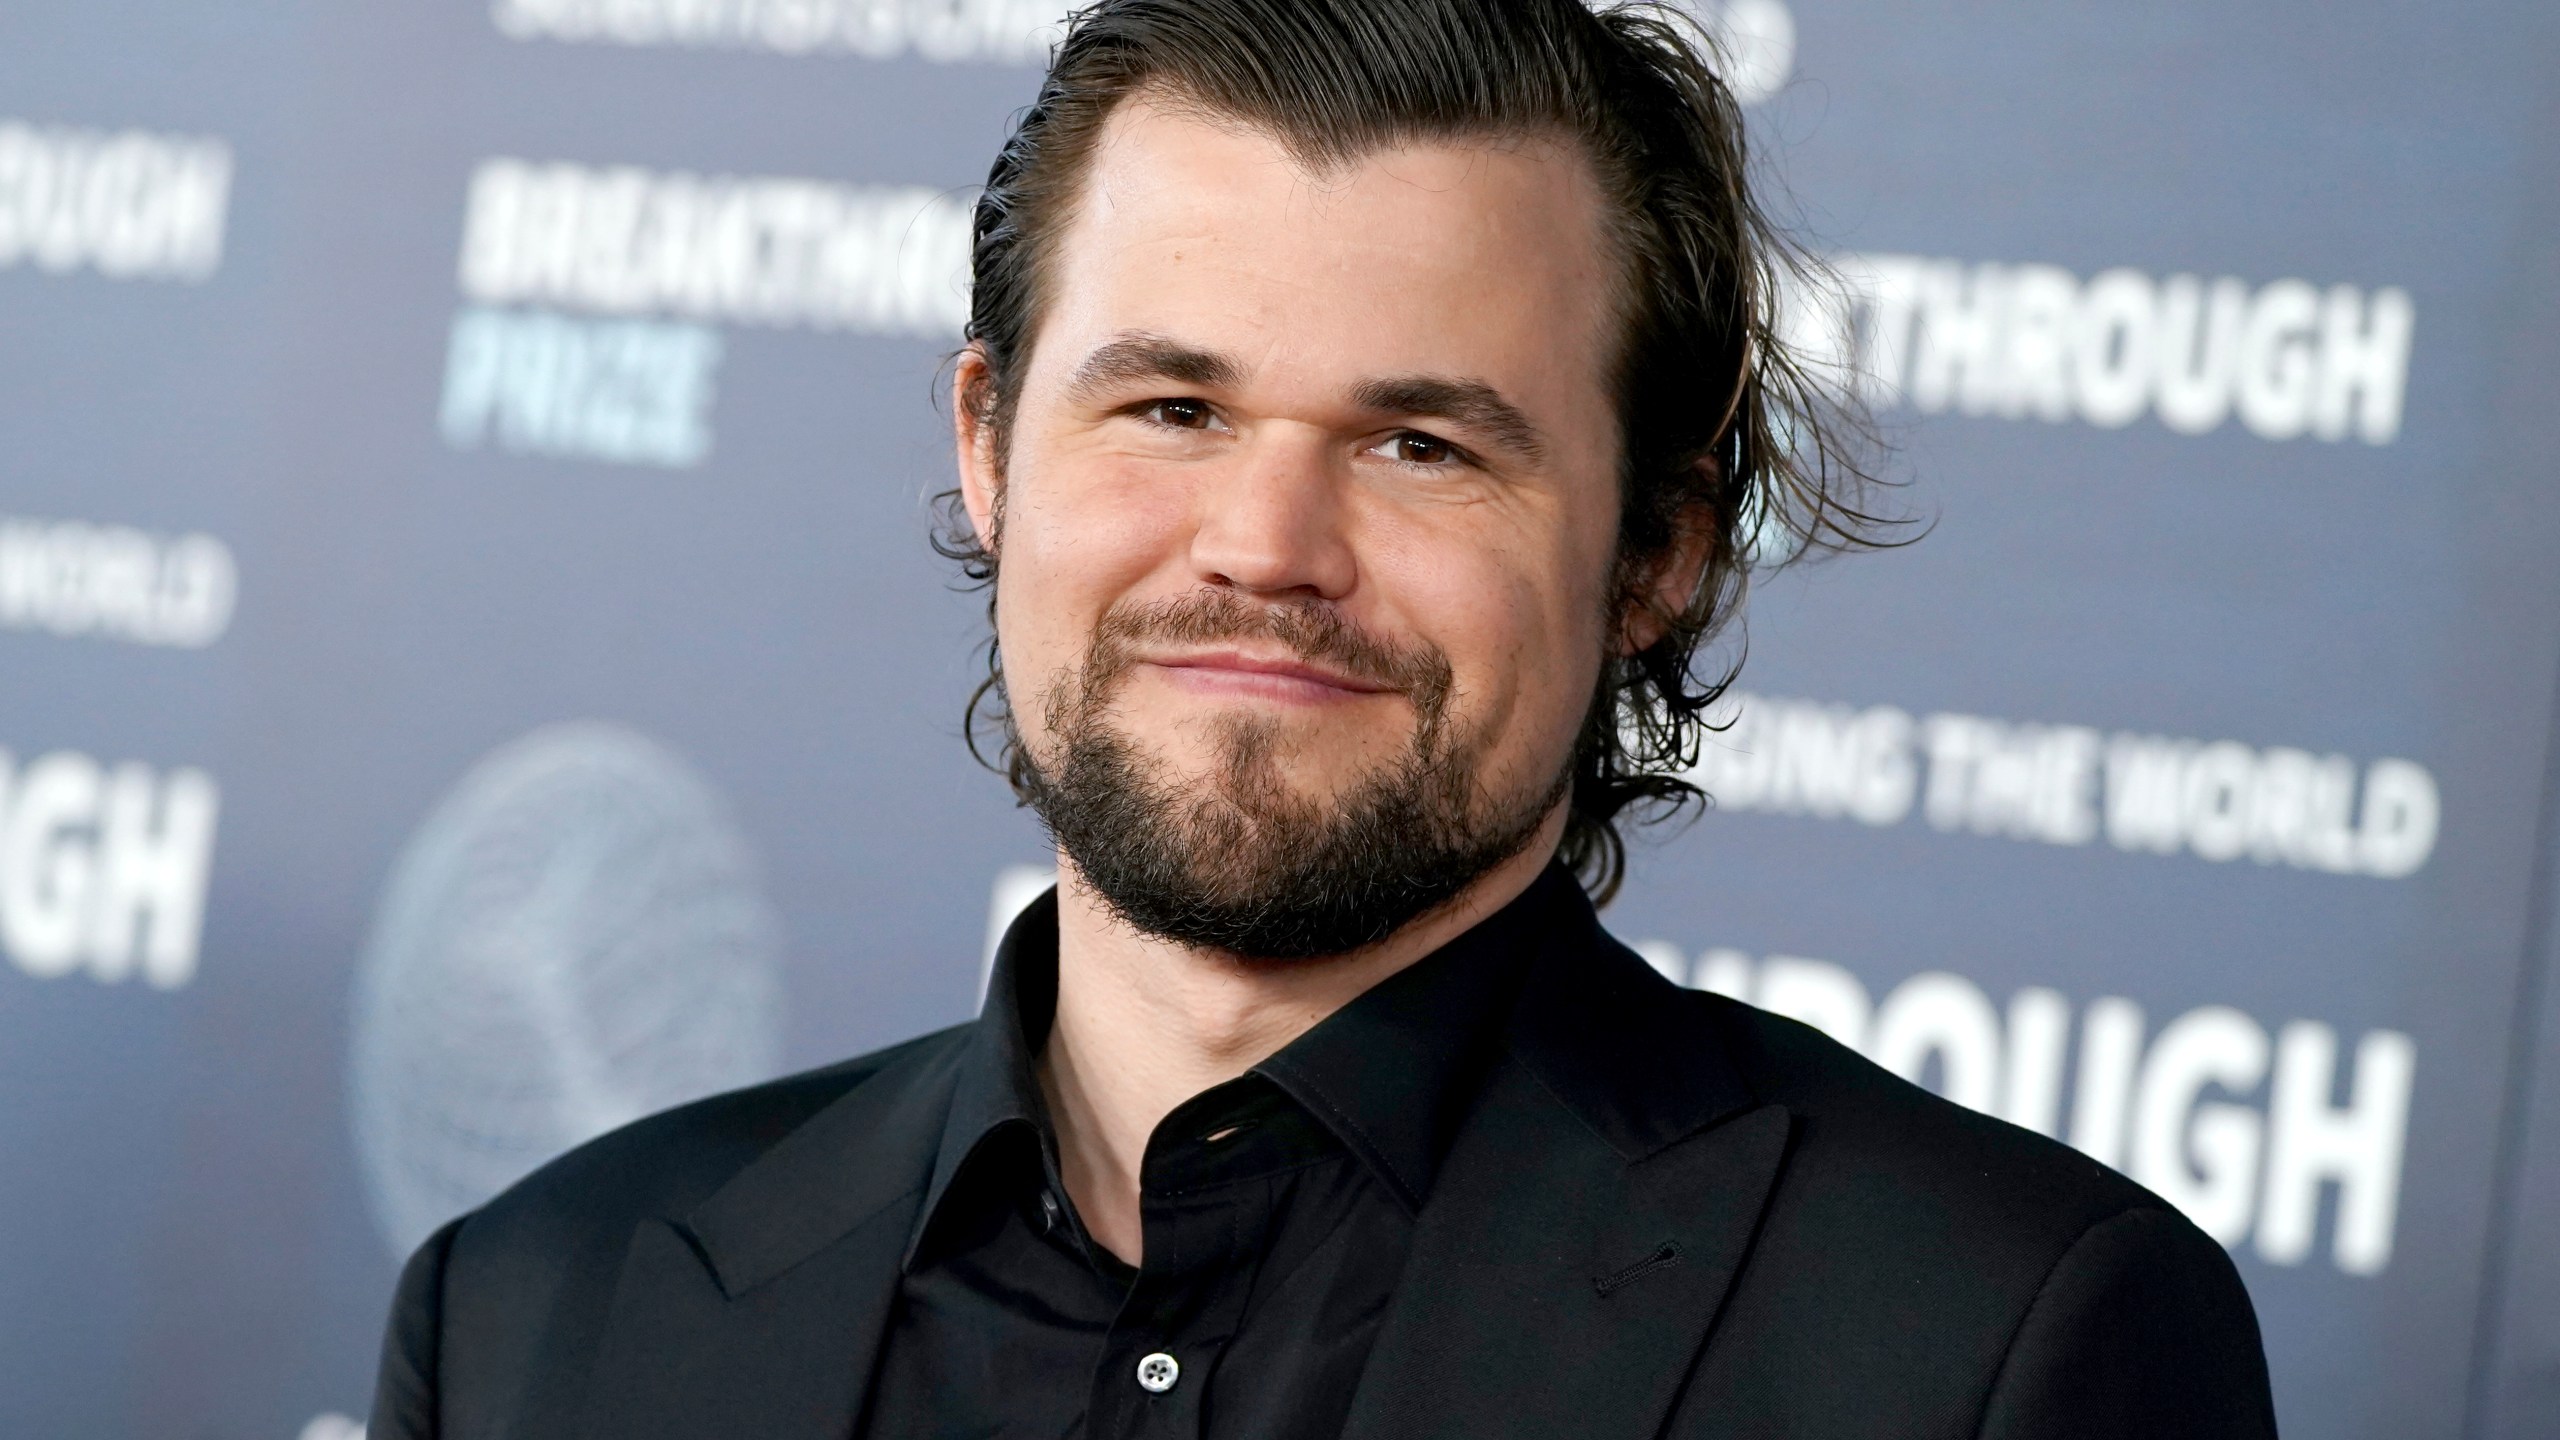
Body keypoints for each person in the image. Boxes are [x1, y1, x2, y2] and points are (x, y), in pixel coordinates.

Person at [369, 2, 2278, 1436]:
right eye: (1172, 409)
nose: (1267, 545)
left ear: (1657, 553)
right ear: (987, 451)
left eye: (1421, 444)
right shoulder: (541, 1319)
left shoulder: (1994, 1348)